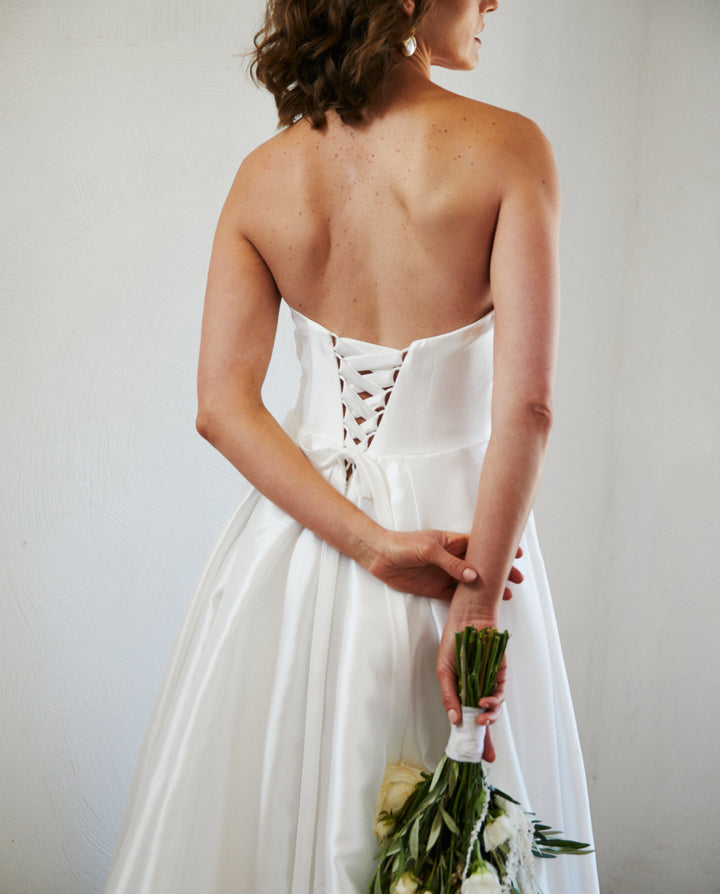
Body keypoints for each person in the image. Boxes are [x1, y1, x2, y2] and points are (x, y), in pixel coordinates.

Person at [103, 0, 600, 891]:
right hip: (464, 549)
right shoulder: (510, 149)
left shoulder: (264, 176)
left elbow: (223, 405)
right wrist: (478, 607)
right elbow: (527, 408)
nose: (493, 2)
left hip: (293, 548)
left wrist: (370, 544)